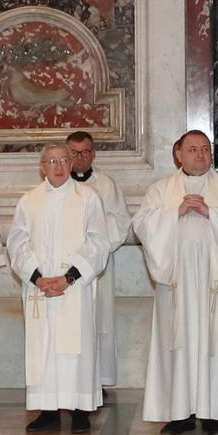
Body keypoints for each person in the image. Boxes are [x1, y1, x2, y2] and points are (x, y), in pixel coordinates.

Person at [134, 130, 218, 435]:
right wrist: (176, 212)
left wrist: (210, 212)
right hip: (176, 282)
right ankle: (179, 413)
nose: (200, 155)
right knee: (178, 341)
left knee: (215, 341)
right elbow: (142, 224)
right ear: (178, 155)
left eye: (205, 150)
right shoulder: (161, 190)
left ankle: (213, 414)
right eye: (193, 150)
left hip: (214, 282)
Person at [8, 144, 110, 433]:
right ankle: (48, 410)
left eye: (64, 160)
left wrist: (70, 276)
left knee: (75, 347)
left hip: (74, 288)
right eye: (52, 161)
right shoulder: (29, 201)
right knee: (44, 347)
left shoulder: (88, 198)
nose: (59, 166)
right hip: (40, 289)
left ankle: (79, 410)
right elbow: (17, 242)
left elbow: (98, 241)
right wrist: (38, 276)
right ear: (42, 166)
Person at [65, 131, 130, 390]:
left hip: (97, 265)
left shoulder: (106, 185)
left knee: (97, 319)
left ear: (93, 153)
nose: (81, 158)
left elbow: (121, 222)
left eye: (86, 152)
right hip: (64, 265)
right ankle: (68, 380)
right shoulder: (57, 184)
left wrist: (96, 243)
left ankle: (96, 381)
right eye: (74, 152)